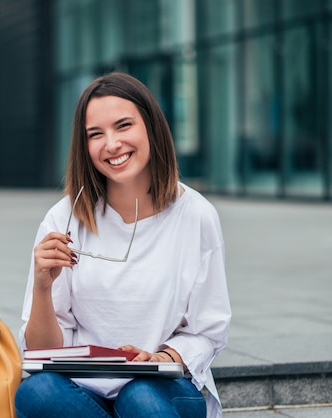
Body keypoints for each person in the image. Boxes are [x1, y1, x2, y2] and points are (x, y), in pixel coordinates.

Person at [15, 72, 231, 418]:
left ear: (151, 127)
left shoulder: (196, 216)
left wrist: (163, 358)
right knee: (36, 393)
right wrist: (43, 287)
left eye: (123, 126)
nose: (111, 144)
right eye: (95, 134)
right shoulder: (64, 218)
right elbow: (43, 354)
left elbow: (209, 331)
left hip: (162, 391)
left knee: (139, 397)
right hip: (86, 392)